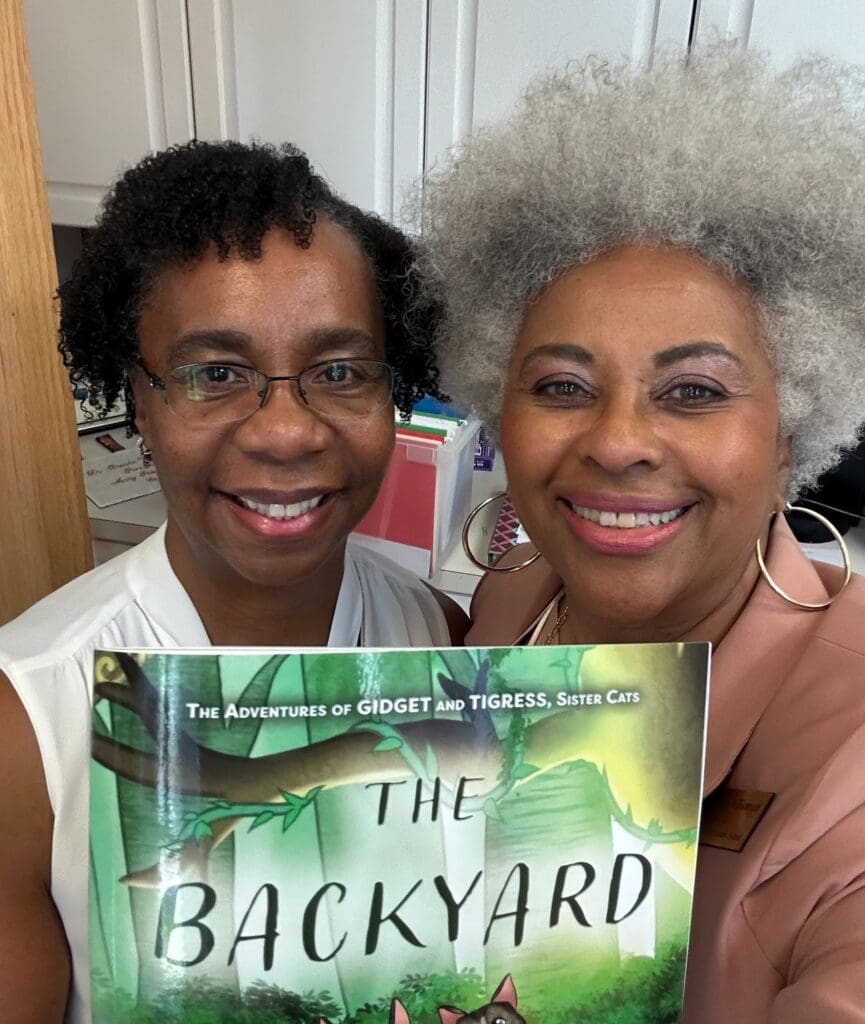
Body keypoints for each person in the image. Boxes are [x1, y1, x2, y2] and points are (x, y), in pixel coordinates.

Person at [417, 48, 865, 1023]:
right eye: (562, 386)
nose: (617, 441)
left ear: (791, 428)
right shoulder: (513, 601)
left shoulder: (851, 759)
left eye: (693, 391)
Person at [0, 139, 465, 1024]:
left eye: (338, 372)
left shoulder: (438, 633)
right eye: (215, 374)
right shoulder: (24, 725)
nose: (286, 433)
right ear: (138, 400)